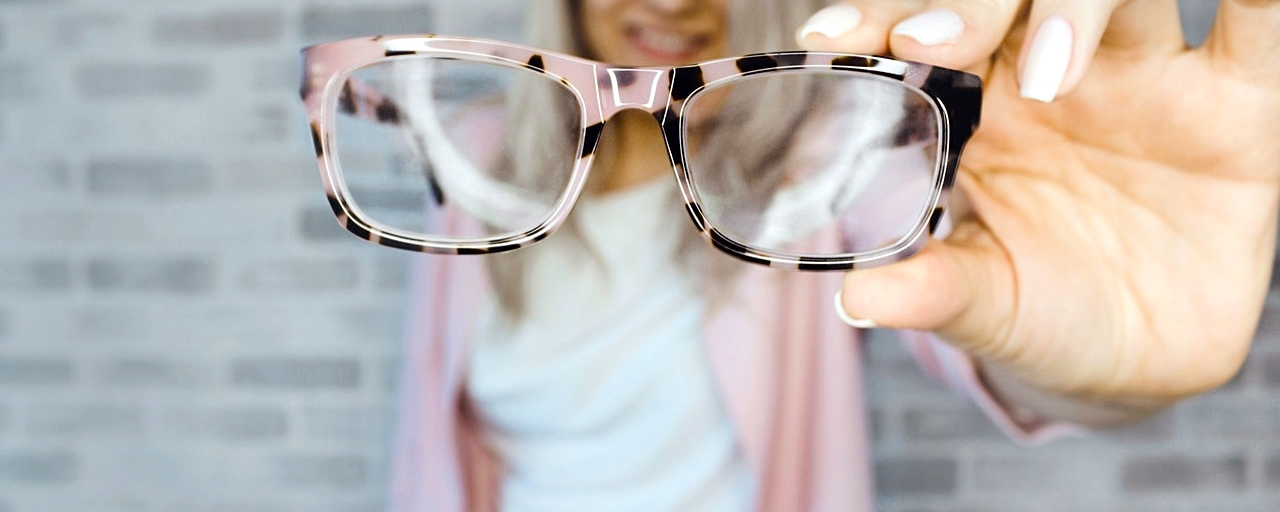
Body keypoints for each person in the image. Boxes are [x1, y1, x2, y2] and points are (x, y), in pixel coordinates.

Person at [375, 0, 1280, 511]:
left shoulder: (823, 162)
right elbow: (429, 448)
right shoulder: (477, 155)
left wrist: (1116, 345)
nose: (671, 5)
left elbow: (973, 306)